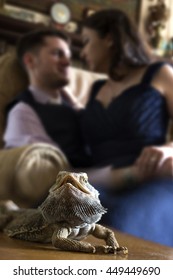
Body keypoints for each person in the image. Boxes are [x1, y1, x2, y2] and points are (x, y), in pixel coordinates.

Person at [79, 8, 173, 246]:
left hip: (152, 178)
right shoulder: (96, 89)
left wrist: (169, 150)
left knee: (115, 223)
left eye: (87, 41)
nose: (83, 51)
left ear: (109, 39)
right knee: (48, 211)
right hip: (105, 180)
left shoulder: (159, 74)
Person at [3, 28, 90, 168]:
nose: (67, 63)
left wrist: (74, 103)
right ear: (30, 61)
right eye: (57, 54)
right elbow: (49, 172)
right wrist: (119, 176)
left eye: (68, 56)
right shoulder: (22, 112)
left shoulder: (72, 106)